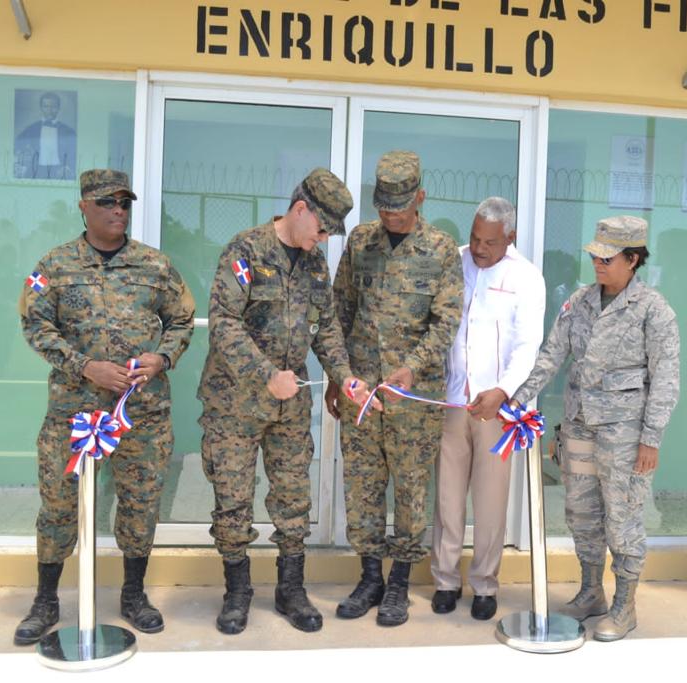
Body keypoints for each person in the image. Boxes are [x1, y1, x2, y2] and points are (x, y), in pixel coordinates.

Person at [14, 169, 195, 645]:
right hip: (74, 413)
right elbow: (35, 325)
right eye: (107, 202)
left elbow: (183, 319)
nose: (118, 210)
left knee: (140, 503)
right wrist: (85, 366)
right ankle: (46, 599)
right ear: (83, 207)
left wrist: (163, 358)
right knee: (59, 505)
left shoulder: (154, 265)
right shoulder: (55, 266)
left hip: (142, 414)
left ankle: (134, 594)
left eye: (124, 203)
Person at [197, 168, 374, 634]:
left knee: (294, 497)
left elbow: (327, 329)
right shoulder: (246, 250)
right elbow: (223, 323)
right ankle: (237, 592)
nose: (324, 240)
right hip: (234, 404)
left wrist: (347, 378)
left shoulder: (315, 265)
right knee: (233, 500)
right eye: (322, 229)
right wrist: (265, 375)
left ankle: (291, 590)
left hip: (290, 408)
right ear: (299, 210)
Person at [511, 216, 679, 642]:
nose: (598, 264)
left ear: (633, 259)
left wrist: (651, 438)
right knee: (581, 513)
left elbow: (666, 379)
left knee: (622, 517)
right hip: (580, 427)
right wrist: (516, 399)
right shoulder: (580, 301)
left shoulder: (653, 309)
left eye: (607, 258)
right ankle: (591, 592)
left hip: (625, 435)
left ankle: (625, 605)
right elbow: (552, 355)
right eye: (595, 256)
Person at [326, 150, 463, 627]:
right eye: (384, 208)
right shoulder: (361, 241)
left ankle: (399, 582)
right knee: (362, 486)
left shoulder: (441, 250)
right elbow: (339, 311)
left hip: (413, 398)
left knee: (409, 490)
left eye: (399, 209)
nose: (390, 217)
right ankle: (370, 578)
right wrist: (337, 378)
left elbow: (446, 322)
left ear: (420, 198)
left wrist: (412, 367)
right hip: (361, 393)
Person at [430, 196, 545, 621]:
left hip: (496, 408)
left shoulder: (526, 277)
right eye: (475, 238)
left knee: (491, 500)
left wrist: (503, 390)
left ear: (510, 237)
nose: (479, 248)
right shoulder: (455, 262)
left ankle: (484, 584)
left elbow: (527, 346)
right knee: (447, 497)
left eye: (489, 242)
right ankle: (445, 580)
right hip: (452, 399)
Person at [15, 91, 77, 180]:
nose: (49, 110)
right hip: (36, 172)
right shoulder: (31, 129)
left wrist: (68, 167)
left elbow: (74, 154)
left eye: (53, 107)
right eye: (46, 106)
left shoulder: (69, 132)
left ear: (59, 108)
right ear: (41, 108)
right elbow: (17, 147)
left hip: (60, 171)